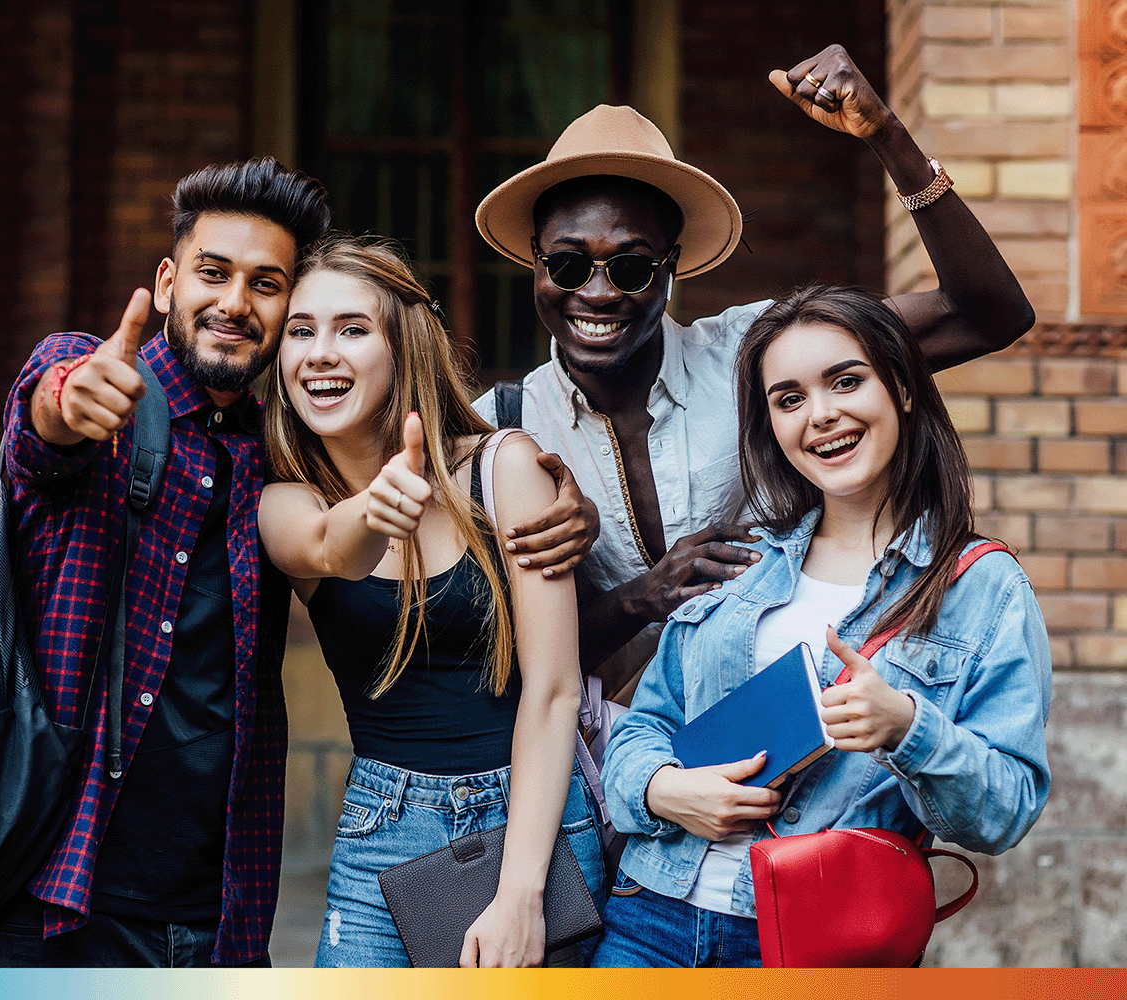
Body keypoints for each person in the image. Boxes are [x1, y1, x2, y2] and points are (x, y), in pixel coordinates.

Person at [471, 45, 1036, 701]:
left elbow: (988, 315)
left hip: (792, 753)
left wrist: (887, 137)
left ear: (671, 266)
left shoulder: (759, 352)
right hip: (602, 779)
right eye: (567, 266)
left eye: (630, 268)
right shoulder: (499, 431)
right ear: (534, 263)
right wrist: (638, 600)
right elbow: (492, 665)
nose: (597, 294)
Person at [592, 285, 1052, 967]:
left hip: (814, 945)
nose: (822, 415)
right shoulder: (740, 564)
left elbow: (1006, 810)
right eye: (790, 398)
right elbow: (642, 726)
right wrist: (663, 789)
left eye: (845, 380)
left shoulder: (981, 587)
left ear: (900, 385)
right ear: (771, 424)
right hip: (648, 920)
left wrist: (907, 726)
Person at [0, 158, 331, 967]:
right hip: (61, 900)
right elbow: (41, 428)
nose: (235, 302)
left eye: (266, 284)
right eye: (213, 273)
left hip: (221, 916)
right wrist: (66, 402)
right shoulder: (103, 383)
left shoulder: (278, 451)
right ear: (168, 283)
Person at [257, 236, 606, 967]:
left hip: (535, 816)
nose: (320, 352)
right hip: (381, 827)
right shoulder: (287, 499)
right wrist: (375, 507)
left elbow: (552, 691)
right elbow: (325, 546)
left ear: (403, 347)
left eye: (352, 329)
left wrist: (519, 894)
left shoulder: (504, 470)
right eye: (300, 331)